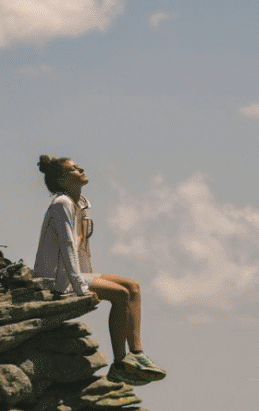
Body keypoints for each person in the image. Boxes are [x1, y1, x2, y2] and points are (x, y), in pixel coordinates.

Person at [34, 155, 167, 386]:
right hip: (57, 278)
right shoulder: (62, 204)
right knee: (121, 294)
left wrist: (88, 276)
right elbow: (67, 247)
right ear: (63, 180)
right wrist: (81, 287)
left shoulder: (80, 204)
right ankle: (120, 364)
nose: (81, 169)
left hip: (71, 273)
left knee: (132, 287)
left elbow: (79, 246)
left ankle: (137, 354)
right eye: (74, 169)